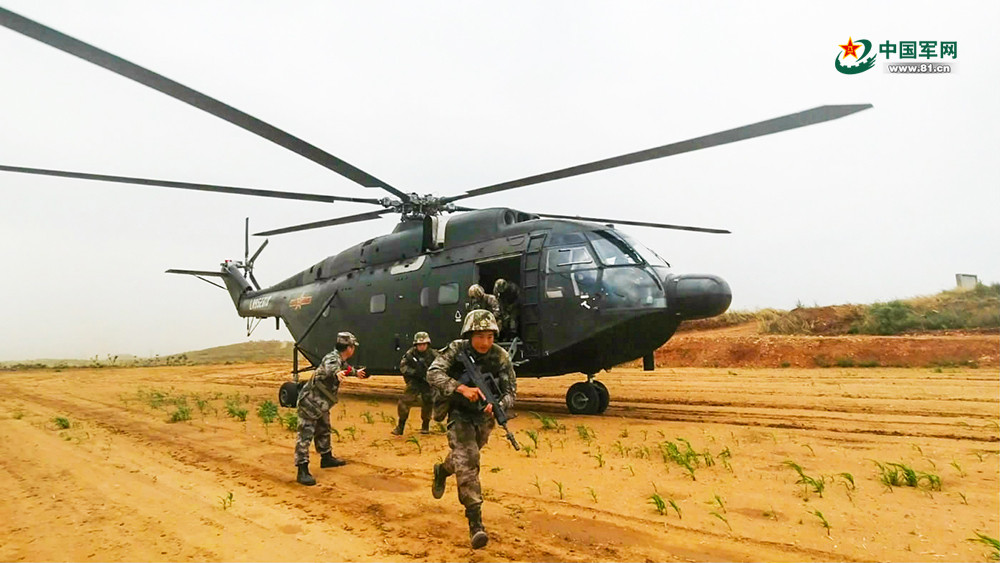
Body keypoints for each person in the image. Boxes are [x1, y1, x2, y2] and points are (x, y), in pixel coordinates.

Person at [426, 310, 517, 549]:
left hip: (483, 418)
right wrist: (460, 388)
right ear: (469, 334)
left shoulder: (500, 356)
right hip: (459, 413)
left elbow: (511, 392)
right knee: (469, 462)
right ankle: (476, 523)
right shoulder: (457, 350)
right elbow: (433, 373)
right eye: (480, 336)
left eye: (490, 336)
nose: (486, 342)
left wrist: (496, 404)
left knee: (462, 457)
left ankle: (442, 470)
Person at [294, 332, 368, 486]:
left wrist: (356, 373)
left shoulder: (340, 359)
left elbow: (346, 368)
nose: (353, 350)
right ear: (349, 348)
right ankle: (302, 470)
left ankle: (326, 457)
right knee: (305, 436)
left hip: (321, 403)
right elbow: (331, 368)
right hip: (310, 402)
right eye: (353, 347)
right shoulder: (332, 359)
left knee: (324, 429)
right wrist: (336, 373)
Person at [393, 331, 438, 436]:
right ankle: (400, 426)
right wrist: (413, 372)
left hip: (427, 382)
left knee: (428, 402)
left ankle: (425, 425)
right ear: (415, 345)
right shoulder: (410, 354)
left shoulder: (433, 354)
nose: (422, 346)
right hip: (415, 381)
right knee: (404, 402)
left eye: (424, 344)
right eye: (419, 345)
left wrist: (431, 375)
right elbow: (403, 366)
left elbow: (441, 366)